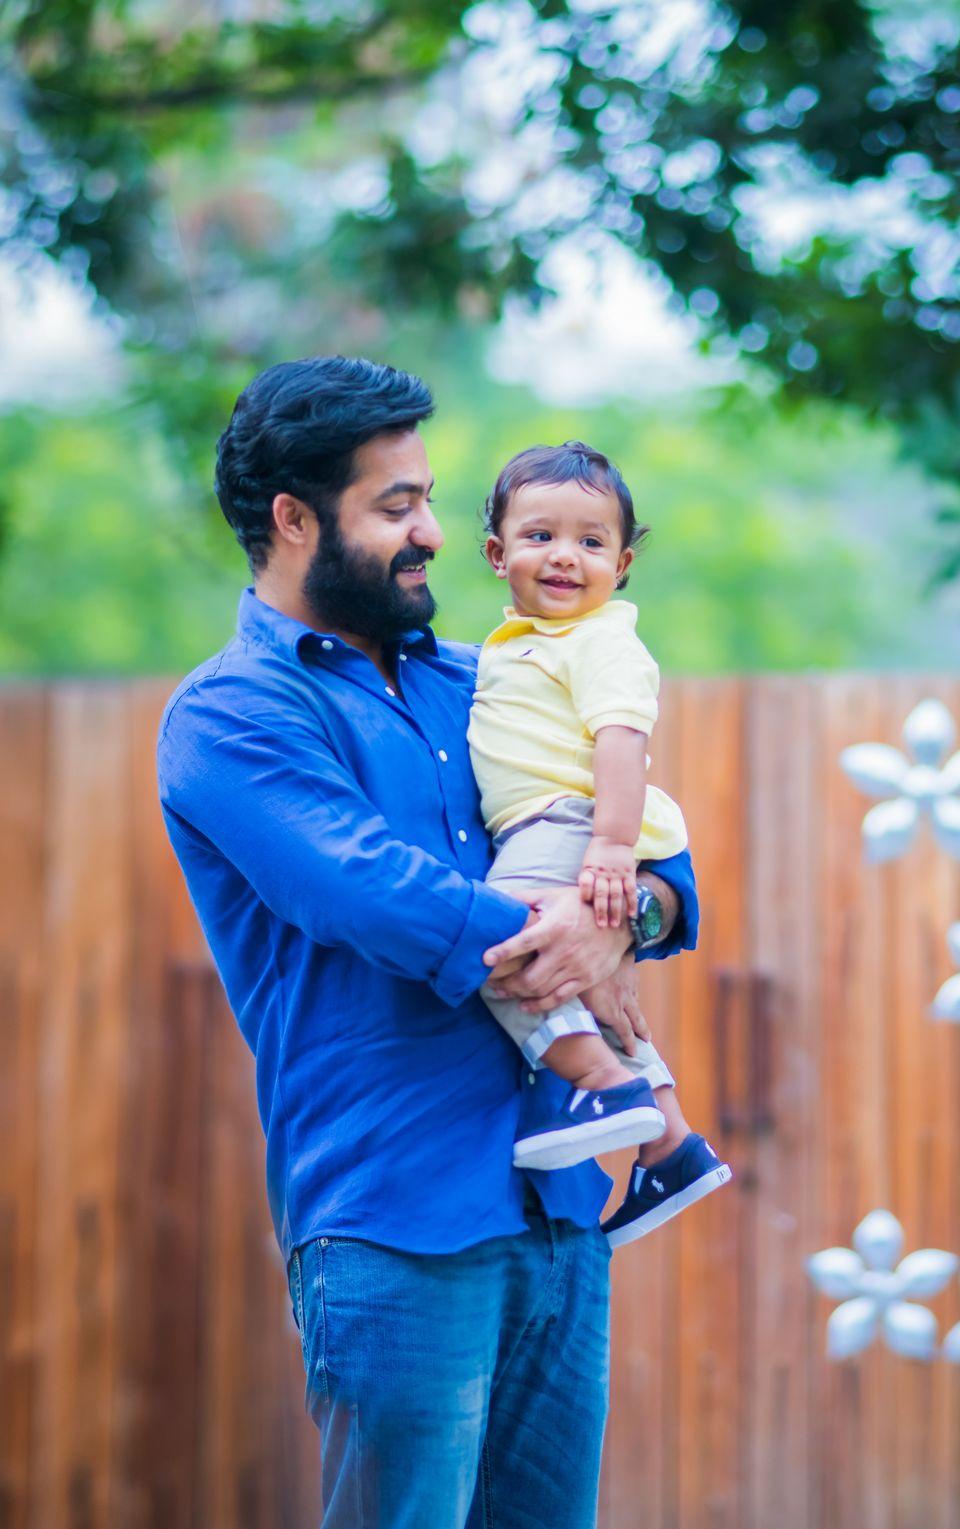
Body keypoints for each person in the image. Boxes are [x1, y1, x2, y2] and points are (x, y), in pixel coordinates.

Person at [156, 355, 700, 1528]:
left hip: (559, 1208)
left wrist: (635, 916)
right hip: (395, 1214)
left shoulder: (490, 675)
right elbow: (373, 892)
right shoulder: (231, 713)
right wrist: (574, 930)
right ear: (296, 519)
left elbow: (660, 858)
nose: (436, 534)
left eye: (431, 499)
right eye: (395, 505)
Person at [469, 441, 731, 1245]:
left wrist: (612, 849)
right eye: (541, 535)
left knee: (503, 946)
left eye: (591, 542)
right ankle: (669, 1140)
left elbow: (622, 739)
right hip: (556, 824)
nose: (564, 557)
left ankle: (596, 1083)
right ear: (496, 554)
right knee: (589, 981)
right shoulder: (509, 650)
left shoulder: (602, 641)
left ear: (621, 564)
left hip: (566, 821)